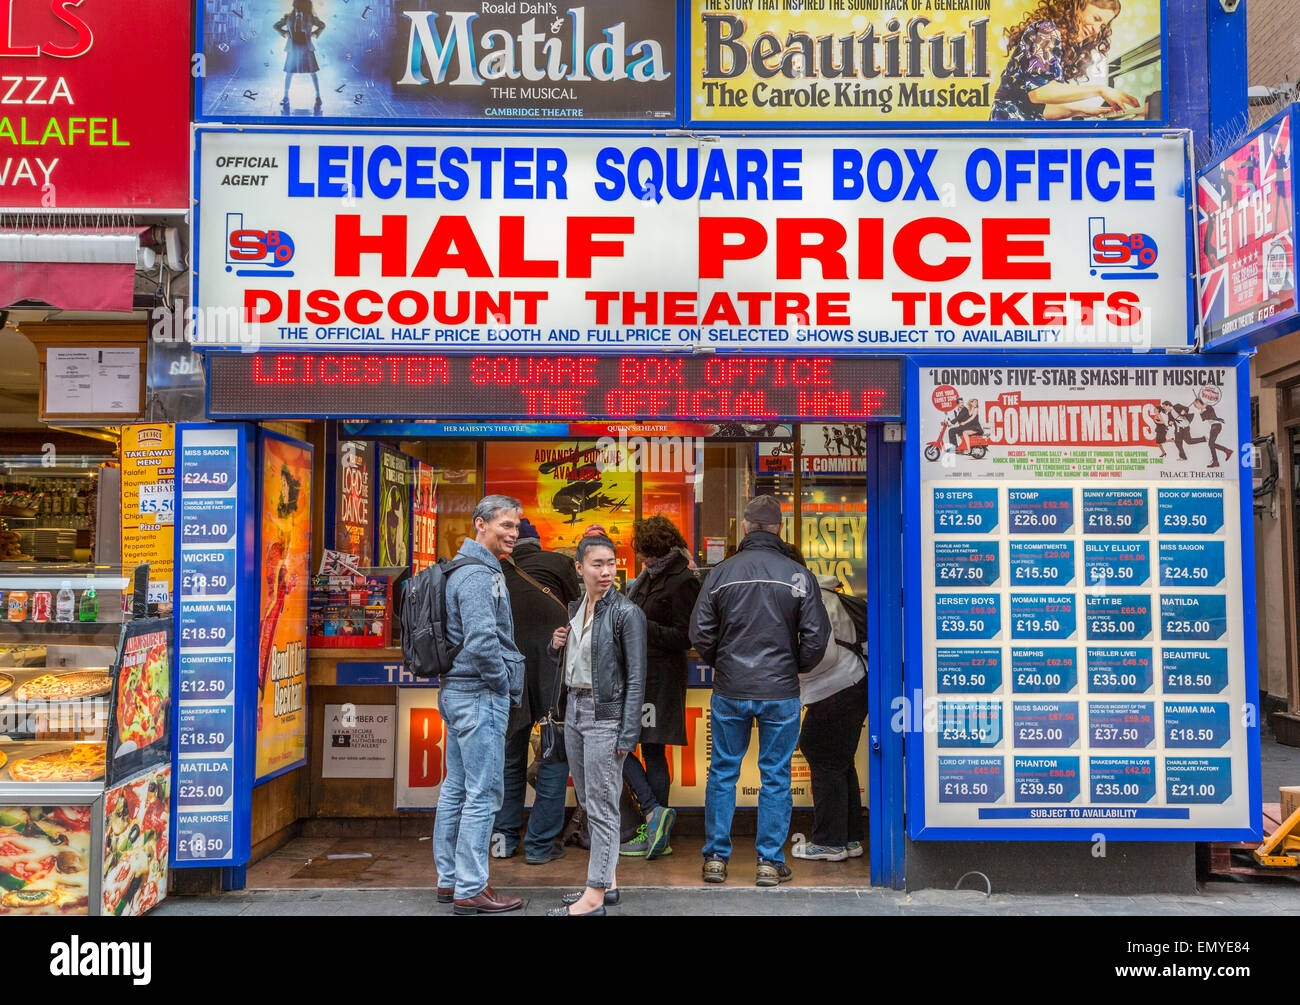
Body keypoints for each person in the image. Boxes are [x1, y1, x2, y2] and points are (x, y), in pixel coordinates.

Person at [689, 495, 831, 887]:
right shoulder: (798, 575)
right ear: (779, 528)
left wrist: (725, 661)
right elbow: (817, 638)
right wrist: (793, 666)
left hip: (730, 689)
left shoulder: (720, 573)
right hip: (780, 691)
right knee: (775, 776)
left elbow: (699, 632)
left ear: (746, 528)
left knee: (722, 772)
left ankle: (715, 859)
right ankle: (769, 862)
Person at [433, 495, 528, 916]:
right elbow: (483, 640)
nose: (512, 533)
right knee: (483, 792)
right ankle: (471, 887)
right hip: (479, 695)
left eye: (516, 527)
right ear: (479, 525)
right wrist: (503, 684)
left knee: (456, 789)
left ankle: (450, 880)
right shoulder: (478, 576)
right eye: (505, 525)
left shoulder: (467, 569)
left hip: (460, 692)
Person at [547, 535, 647, 916]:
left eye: (612, 563)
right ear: (579, 567)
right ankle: (610, 882)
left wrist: (628, 731)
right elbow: (575, 663)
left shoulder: (626, 613)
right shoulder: (576, 608)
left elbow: (637, 678)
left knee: (602, 807)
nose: (607, 572)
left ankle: (594, 896)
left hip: (605, 716)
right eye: (597, 564)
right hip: (574, 709)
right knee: (591, 802)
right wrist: (555, 644)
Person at [493, 518, 582, 864]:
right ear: (537, 542)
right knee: (553, 755)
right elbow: (580, 610)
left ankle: (503, 838)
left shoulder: (496, 570)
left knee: (509, 758)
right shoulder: (558, 563)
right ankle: (540, 845)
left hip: (509, 673)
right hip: (552, 672)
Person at [619, 516, 701, 860]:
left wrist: (640, 625)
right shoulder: (650, 577)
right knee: (626, 745)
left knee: (646, 749)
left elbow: (685, 636)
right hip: (638, 673)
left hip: (660, 677)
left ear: (655, 550)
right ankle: (655, 821)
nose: (640, 559)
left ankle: (654, 826)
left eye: (644, 552)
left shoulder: (682, 581)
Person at [792, 577, 868, 863]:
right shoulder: (827, 594)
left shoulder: (810, 599)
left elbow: (822, 652)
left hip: (836, 685)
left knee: (819, 751)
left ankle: (829, 842)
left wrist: (798, 675)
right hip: (854, 682)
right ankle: (849, 838)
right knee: (840, 761)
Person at [989, 0, 1139, 121]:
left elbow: (1034, 108)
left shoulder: (1057, 44)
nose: (1096, 30)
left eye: (1102, 26)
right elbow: (1039, 92)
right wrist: (1100, 90)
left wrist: (1083, 110)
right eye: (1096, 18)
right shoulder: (1046, 30)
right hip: (1010, 133)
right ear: (1077, 6)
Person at [274, 0, 325, 110]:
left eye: (299, 5)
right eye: (296, 5)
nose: (297, 7)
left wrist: (315, 34)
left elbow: (322, 25)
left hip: (306, 47)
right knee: (289, 73)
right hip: (293, 48)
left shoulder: (310, 17)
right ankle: (286, 97)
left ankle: (318, 96)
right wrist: (284, 33)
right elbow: (276, 26)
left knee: (313, 72)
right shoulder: (289, 17)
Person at [1195, 397, 1234, 469]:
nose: (1195, 406)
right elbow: (1204, 419)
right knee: (1211, 444)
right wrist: (1202, 409)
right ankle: (1218, 459)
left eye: (1195, 405)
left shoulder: (1209, 407)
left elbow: (1211, 416)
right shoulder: (1201, 411)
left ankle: (1225, 453)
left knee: (1211, 443)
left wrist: (1205, 407)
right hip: (1214, 426)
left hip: (1216, 425)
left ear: (1198, 402)